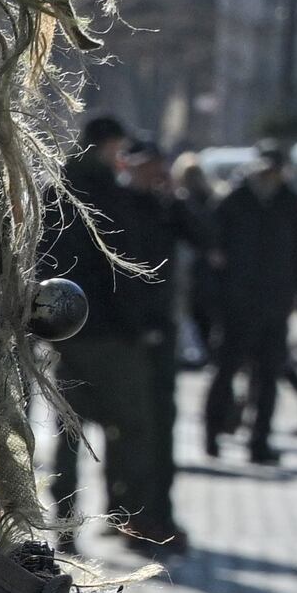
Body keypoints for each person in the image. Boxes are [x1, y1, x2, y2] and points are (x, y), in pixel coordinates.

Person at [42, 117, 187, 548]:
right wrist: (138, 325)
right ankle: (132, 518)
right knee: (133, 426)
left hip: (64, 329)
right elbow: (124, 269)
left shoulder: (57, 191)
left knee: (68, 430)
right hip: (111, 335)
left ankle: (65, 524)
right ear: (107, 147)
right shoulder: (109, 195)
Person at [200, 148, 297, 462]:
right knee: (225, 371)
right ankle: (213, 433)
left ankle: (259, 441)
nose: (270, 177)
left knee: (268, 375)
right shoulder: (233, 201)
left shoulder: (291, 203)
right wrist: (213, 299)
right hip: (236, 304)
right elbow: (211, 252)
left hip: (275, 302)